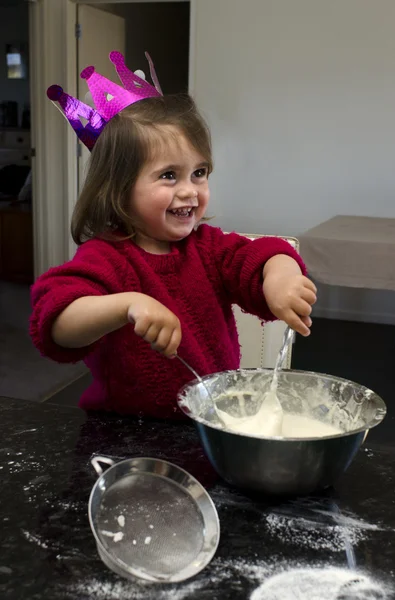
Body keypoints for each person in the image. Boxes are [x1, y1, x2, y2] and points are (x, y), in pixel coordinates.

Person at [30, 52, 317, 418]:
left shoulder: (208, 247)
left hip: (212, 420)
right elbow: (56, 323)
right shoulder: (106, 258)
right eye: (169, 175)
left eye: (199, 172)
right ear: (117, 188)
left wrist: (281, 275)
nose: (190, 191)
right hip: (126, 433)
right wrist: (126, 305)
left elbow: (260, 256)